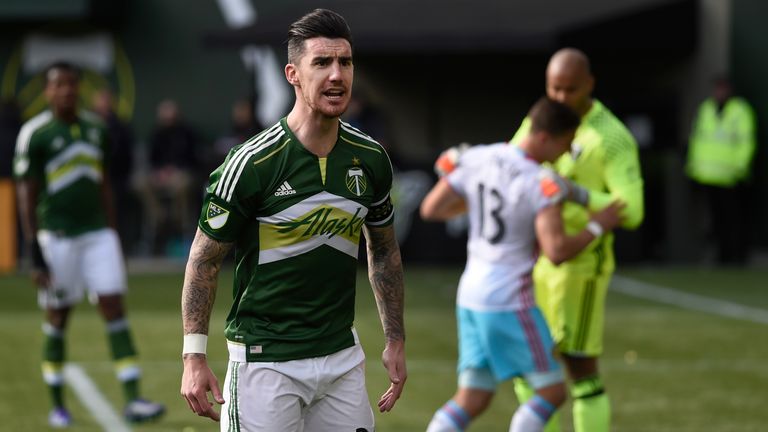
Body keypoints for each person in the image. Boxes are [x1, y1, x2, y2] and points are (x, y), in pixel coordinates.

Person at [180, 9, 407, 432]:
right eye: (322, 63)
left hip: (341, 358)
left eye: (346, 62)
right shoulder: (251, 163)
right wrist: (194, 355)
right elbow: (203, 260)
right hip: (264, 362)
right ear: (293, 74)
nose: (337, 75)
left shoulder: (372, 159)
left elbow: (384, 250)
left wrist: (395, 337)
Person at [421, 97, 624, 432]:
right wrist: (598, 225)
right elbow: (556, 250)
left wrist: (471, 203)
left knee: (474, 395)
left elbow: (431, 208)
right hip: (509, 300)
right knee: (553, 390)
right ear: (546, 137)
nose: (565, 153)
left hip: (470, 295)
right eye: (566, 143)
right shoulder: (539, 182)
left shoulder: (480, 156)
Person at [13, 61, 164, 428]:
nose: (66, 90)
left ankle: (133, 400)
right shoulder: (36, 133)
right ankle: (57, 405)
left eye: (71, 84)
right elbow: (26, 194)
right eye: (58, 84)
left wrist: (114, 234)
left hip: (97, 234)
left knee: (114, 307)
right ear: (47, 91)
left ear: (79, 89)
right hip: (57, 237)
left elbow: (103, 185)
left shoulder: (97, 130)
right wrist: (34, 250)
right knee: (58, 316)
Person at [509, 48, 644, 432]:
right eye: (555, 89)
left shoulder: (612, 137)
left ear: (590, 85)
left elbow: (633, 210)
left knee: (578, 365)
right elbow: (512, 162)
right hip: (534, 262)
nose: (562, 98)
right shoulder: (541, 118)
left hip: (581, 265)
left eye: (571, 89)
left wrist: (578, 194)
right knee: (527, 362)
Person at [686, 75, 756, 265]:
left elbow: (746, 142)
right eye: (717, 89)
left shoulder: (740, 111)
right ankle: (721, 256)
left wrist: (739, 168)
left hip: (731, 177)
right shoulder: (706, 109)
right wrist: (694, 168)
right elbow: (697, 140)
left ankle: (737, 256)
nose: (719, 93)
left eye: (723, 89)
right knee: (716, 220)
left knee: (733, 219)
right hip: (708, 175)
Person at [139, 98, 200, 254]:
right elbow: (153, 161)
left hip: (181, 175)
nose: (168, 119)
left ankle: (178, 220)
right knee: (141, 183)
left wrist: (174, 170)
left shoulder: (186, 133)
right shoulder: (157, 133)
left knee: (182, 185)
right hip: (161, 178)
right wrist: (160, 172)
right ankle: (158, 217)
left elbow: (192, 159)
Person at [91, 88, 135, 253]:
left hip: (116, 179)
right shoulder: (88, 126)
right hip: (92, 181)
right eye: (100, 100)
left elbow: (126, 156)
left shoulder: (120, 127)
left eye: (106, 101)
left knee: (117, 216)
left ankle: (119, 249)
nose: (103, 105)